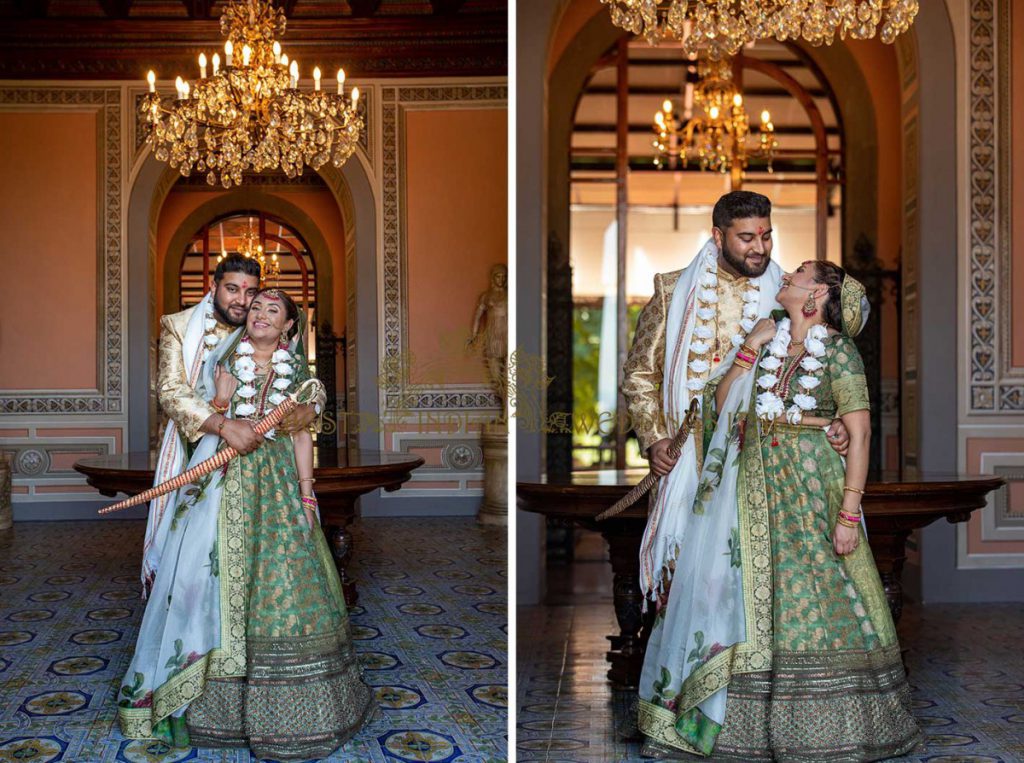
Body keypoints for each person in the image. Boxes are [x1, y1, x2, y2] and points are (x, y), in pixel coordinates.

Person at [636, 261, 921, 760]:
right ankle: (731, 725)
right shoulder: (767, 342)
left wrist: (849, 512)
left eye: (802, 274)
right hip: (750, 491)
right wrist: (748, 349)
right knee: (742, 594)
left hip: (812, 491)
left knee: (813, 594)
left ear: (817, 297)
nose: (788, 275)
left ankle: (827, 727)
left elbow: (859, 433)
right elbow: (722, 406)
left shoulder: (838, 351)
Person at [118, 279, 374, 759]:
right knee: (204, 580)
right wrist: (217, 402)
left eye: (272, 310)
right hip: (222, 483)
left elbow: (302, 437)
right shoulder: (219, 357)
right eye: (254, 306)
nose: (259, 314)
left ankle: (295, 713)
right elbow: (188, 414)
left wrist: (306, 493)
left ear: (288, 326)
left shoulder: (297, 370)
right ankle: (202, 706)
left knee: (283, 583)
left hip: (277, 488)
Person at [622, 190, 849, 602]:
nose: (759, 248)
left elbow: (814, 370)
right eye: (746, 237)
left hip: (758, 459)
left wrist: (833, 424)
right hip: (684, 452)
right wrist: (655, 438)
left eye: (766, 236)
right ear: (717, 235)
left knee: (746, 583)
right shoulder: (672, 291)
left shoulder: (786, 297)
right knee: (681, 584)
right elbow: (639, 373)